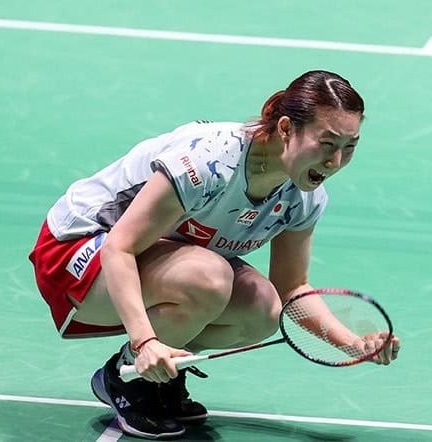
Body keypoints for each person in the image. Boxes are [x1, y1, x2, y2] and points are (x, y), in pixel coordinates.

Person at [29, 70, 400, 439]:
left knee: (262, 310)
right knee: (210, 278)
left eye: (350, 147)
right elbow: (120, 247)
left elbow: (292, 288)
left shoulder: (303, 197)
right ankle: (129, 378)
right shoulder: (209, 162)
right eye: (327, 143)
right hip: (76, 251)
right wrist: (144, 342)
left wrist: (352, 344)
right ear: (286, 128)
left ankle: (159, 374)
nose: (335, 161)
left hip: (153, 263)